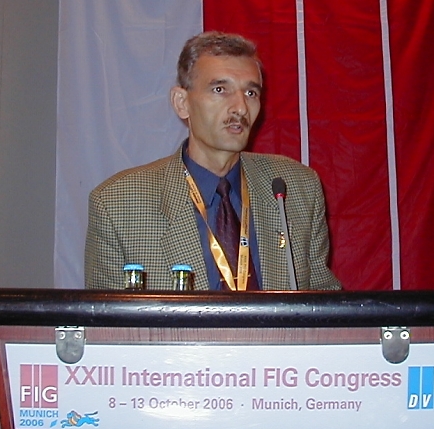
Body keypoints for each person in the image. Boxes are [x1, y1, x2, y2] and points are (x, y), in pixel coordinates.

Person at [85, 31, 341, 291]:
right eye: (220, 90)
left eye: (251, 93)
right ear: (182, 103)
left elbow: (324, 303)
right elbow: (104, 316)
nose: (240, 107)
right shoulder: (117, 204)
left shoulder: (296, 188)